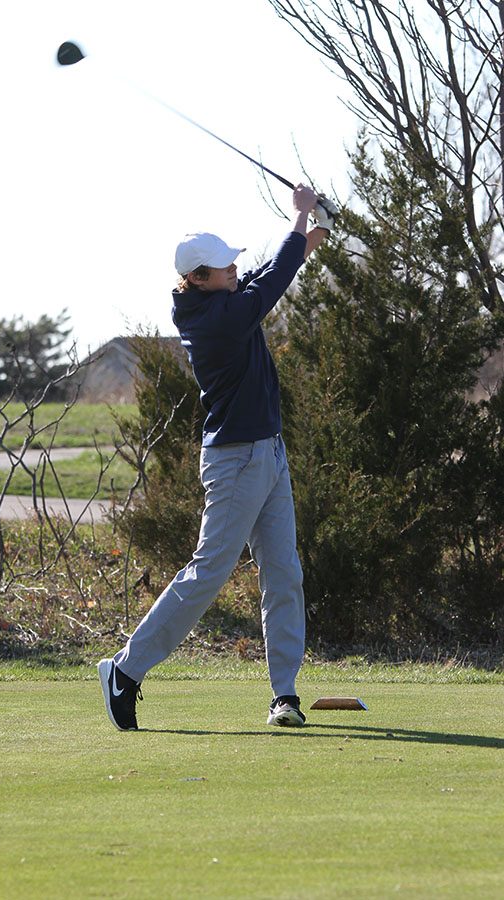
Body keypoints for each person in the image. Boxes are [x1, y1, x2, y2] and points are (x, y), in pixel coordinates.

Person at [98, 184, 337, 730]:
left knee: (284, 571)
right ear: (199, 279)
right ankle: (125, 669)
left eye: (232, 264)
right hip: (236, 461)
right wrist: (300, 219)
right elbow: (269, 283)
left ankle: (284, 695)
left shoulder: (220, 300)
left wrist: (310, 236)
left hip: (268, 454)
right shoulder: (215, 321)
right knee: (209, 571)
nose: (234, 270)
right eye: (223, 267)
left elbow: (260, 278)